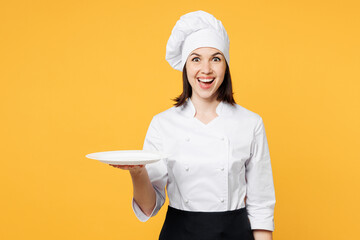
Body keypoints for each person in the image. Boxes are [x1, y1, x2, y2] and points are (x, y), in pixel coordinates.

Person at [111, 10, 276, 240]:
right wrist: (138, 173)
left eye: (215, 58)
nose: (206, 69)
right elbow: (149, 207)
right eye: (196, 58)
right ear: (186, 66)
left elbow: (261, 206)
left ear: (225, 65)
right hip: (180, 234)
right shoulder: (163, 124)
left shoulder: (250, 123)